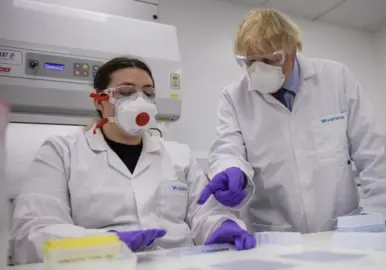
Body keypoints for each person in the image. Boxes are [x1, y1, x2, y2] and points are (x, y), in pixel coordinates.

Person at [11, 57, 255, 265]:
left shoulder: (178, 155)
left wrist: (221, 226)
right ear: (99, 100)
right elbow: (32, 233)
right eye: (127, 93)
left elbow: (204, 214)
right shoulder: (62, 152)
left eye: (148, 94)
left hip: (179, 264)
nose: (140, 101)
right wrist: (105, 243)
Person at [198, 9, 386, 233]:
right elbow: (227, 147)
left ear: (292, 50)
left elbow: (372, 150)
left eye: (271, 59)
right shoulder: (234, 97)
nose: (259, 69)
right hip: (276, 235)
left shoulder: (336, 79)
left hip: (342, 228)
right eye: (250, 62)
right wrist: (230, 169)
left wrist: (378, 212)